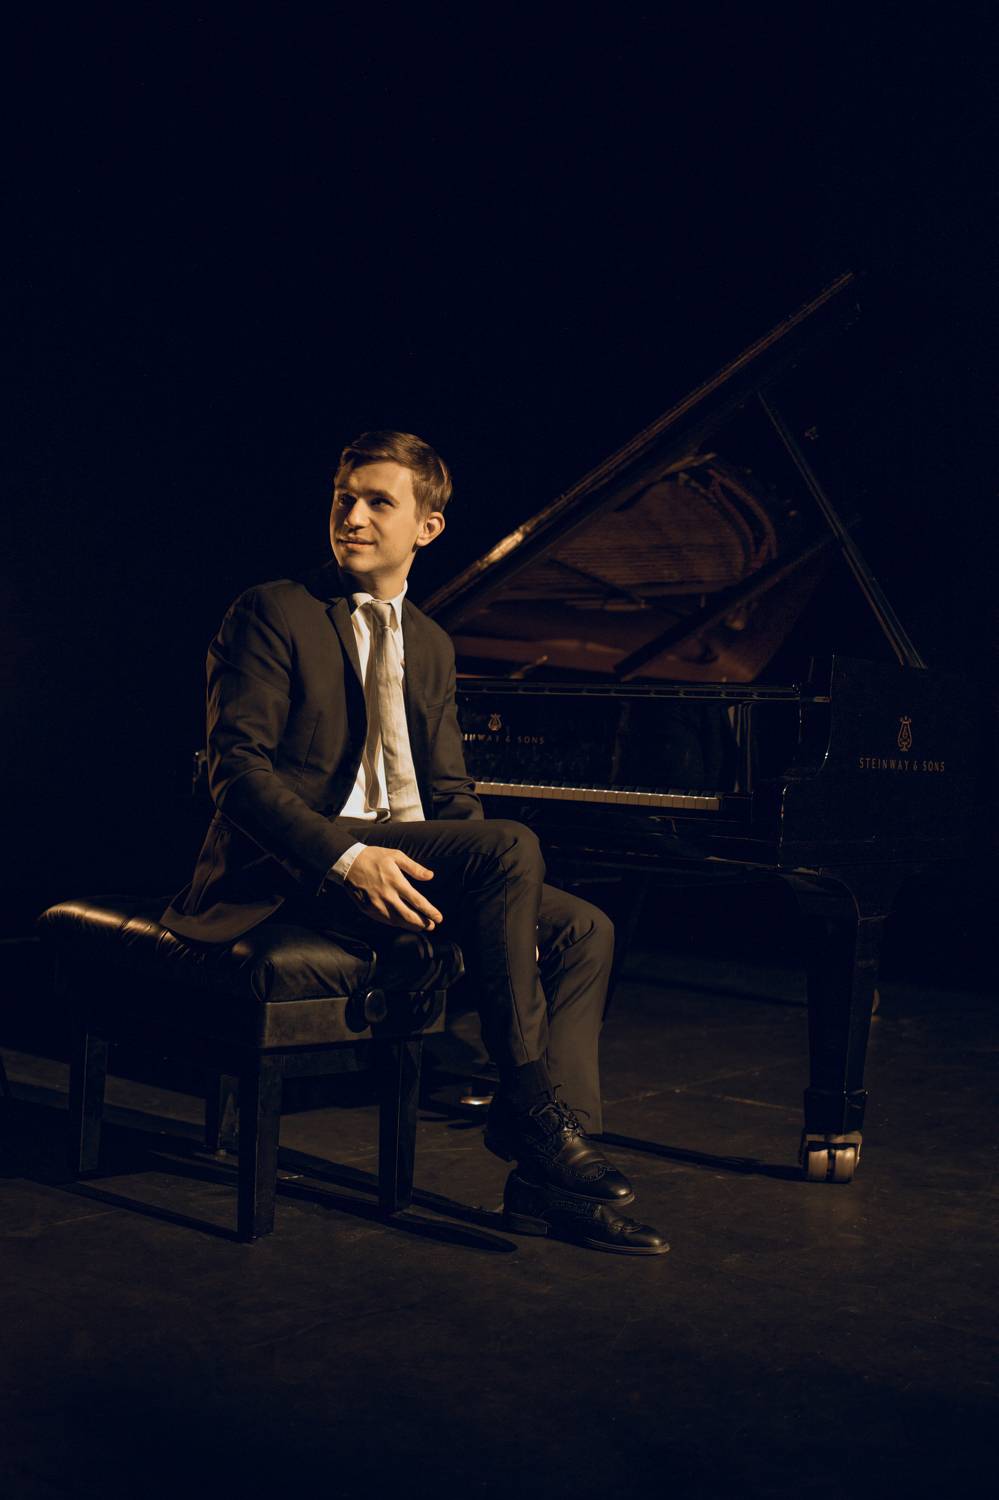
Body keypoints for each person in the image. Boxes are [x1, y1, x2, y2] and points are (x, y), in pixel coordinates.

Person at [163, 430, 666, 1256]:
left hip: (407, 855)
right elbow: (237, 775)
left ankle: (544, 1185)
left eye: (378, 502)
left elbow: (451, 794)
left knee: (584, 930)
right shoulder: (273, 610)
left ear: (427, 528)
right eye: (344, 500)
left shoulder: (430, 642)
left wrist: (491, 901)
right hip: (298, 865)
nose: (353, 518)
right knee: (509, 847)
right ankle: (532, 1113)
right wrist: (347, 858)